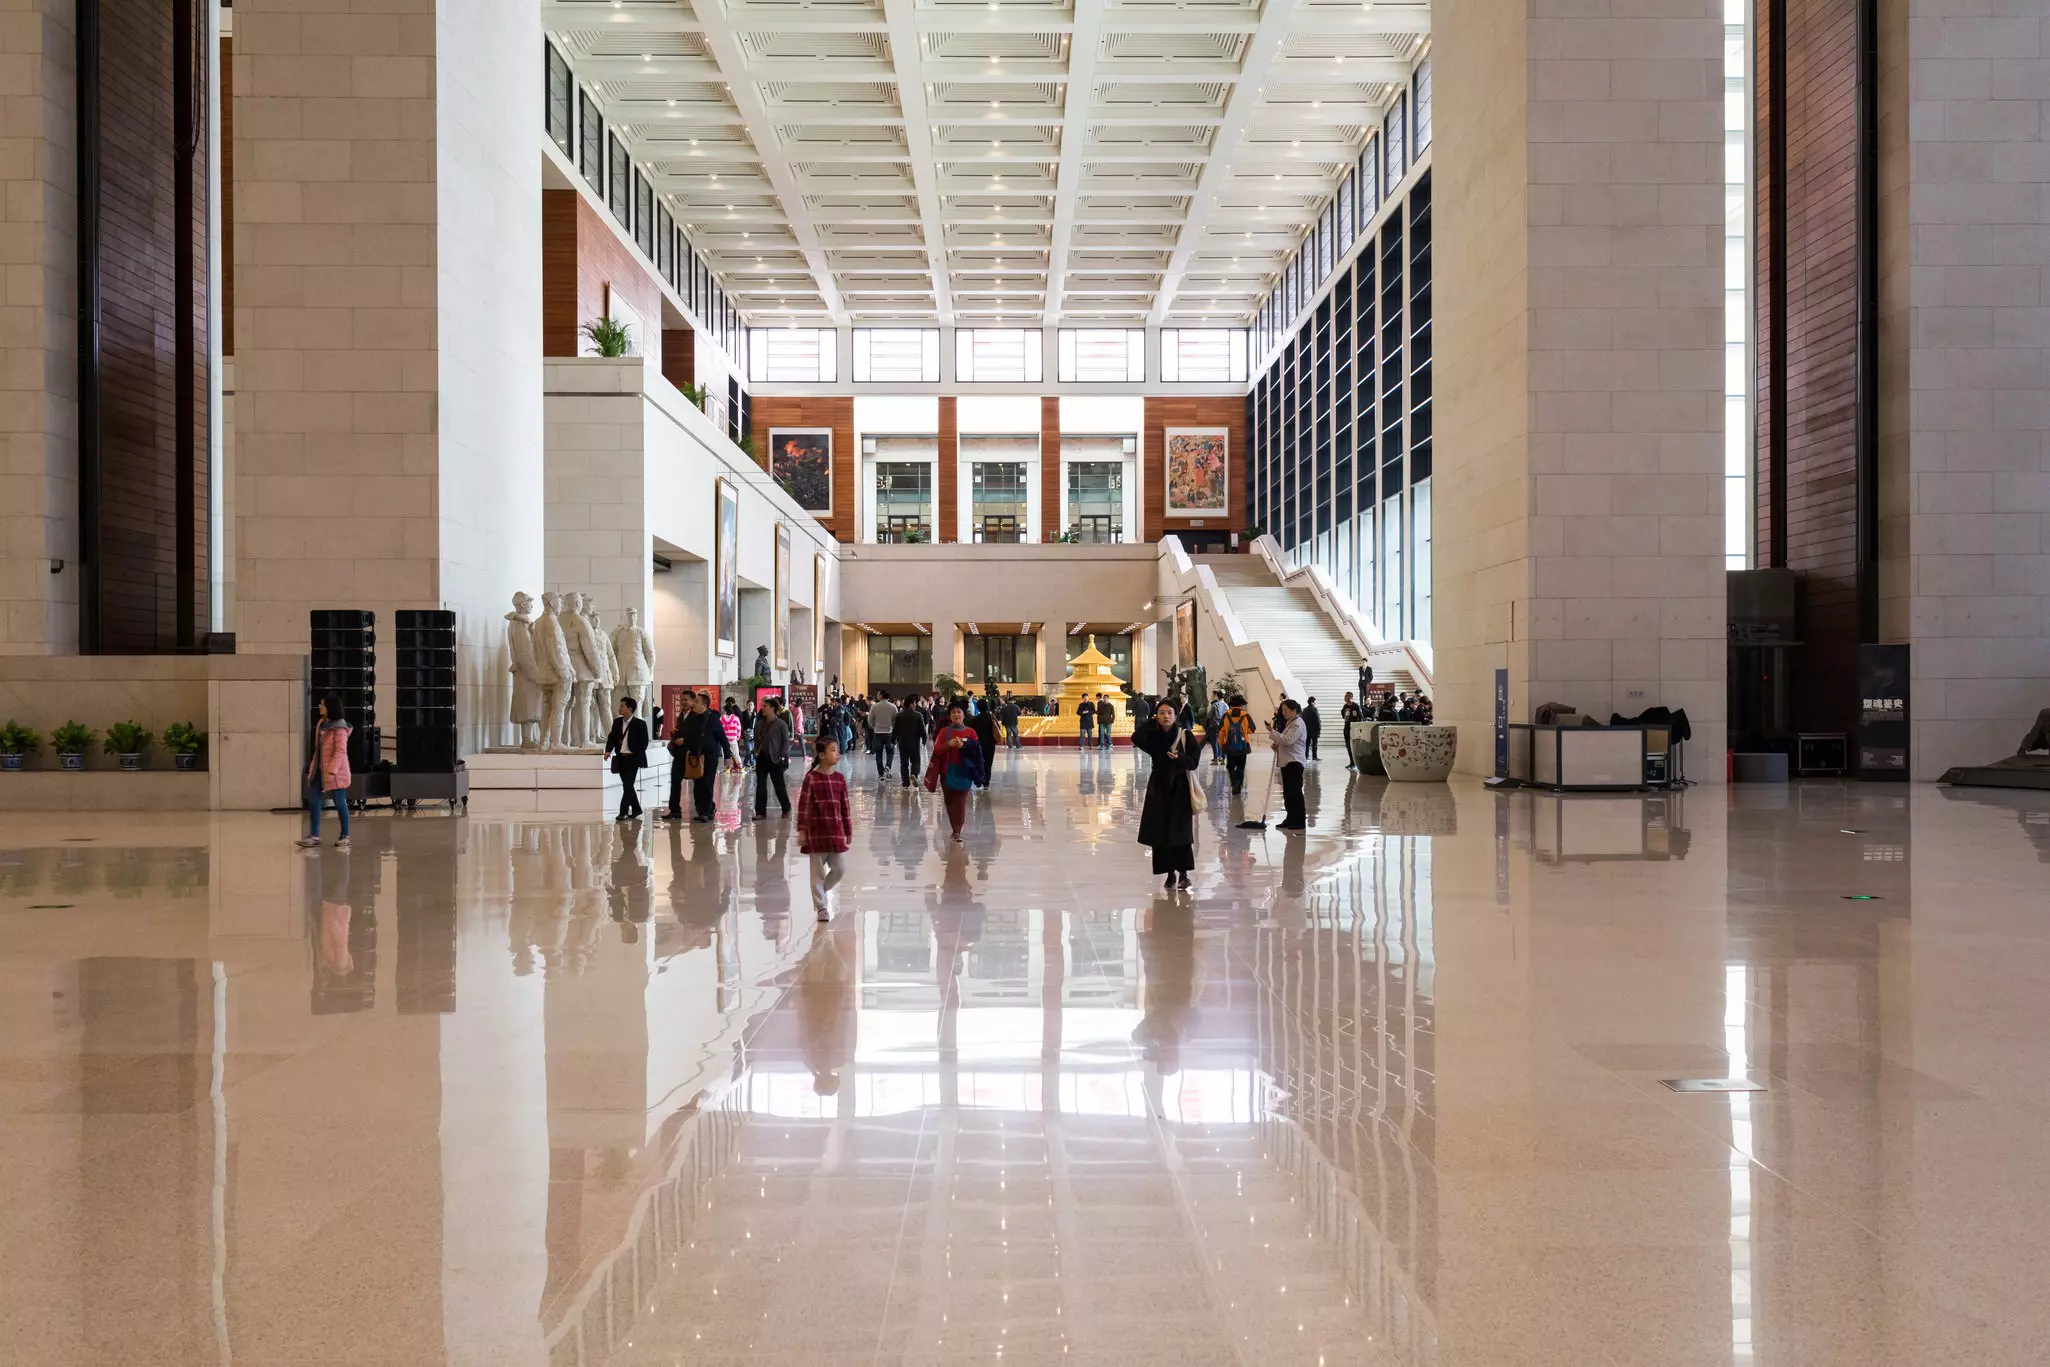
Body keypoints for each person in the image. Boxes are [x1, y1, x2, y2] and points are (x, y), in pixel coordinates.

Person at [1133, 700, 1201, 889]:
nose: (1165, 716)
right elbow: (1136, 737)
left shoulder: (1185, 735)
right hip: (1159, 787)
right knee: (1161, 831)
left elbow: (1194, 762)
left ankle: (1184, 874)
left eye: (1169, 713)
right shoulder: (1154, 737)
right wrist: (1151, 721)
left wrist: (1180, 758)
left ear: (1176, 715)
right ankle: (1170, 873)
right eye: (1161, 713)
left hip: (1179, 788)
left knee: (1180, 831)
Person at [795, 735, 852, 920]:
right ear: (821, 755)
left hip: (835, 832)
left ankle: (822, 890)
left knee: (840, 869)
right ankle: (821, 907)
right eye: (833, 750)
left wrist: (848, 829)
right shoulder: (811, 778)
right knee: (817, 873)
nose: (838, 753)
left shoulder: (840, 779)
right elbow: (803, 806)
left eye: (837, 749)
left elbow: (845, 806)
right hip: (816, 833)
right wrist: (802, 829)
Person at [297, 693, 353, 849]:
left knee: (340, 803)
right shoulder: (322, 724)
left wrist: (332, 771)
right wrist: (313, 768)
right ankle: (314, 836)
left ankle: (345, 835)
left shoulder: (340, 728)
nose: (319, 707)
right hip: (319, 772)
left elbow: (340, 752)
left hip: (336, 773)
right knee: (314, 801)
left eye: (322, 705)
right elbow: (319, 750)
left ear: (330, 708)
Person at [924, 703, 983, 843]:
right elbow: (937, 751)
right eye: (953, 712)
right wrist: (948, 745)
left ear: (964, 715)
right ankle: (954, 827)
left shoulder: (971, 732)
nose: (956, 714)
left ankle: (957, 830)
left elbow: (977, 752)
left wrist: (965, 746)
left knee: (961, 801)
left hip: (965, 772)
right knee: (950, 801)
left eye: (959, 712)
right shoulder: (944, 732)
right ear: (950, 716)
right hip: (947, 771)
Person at [665, 691, 722, 822]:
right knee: (675, 781)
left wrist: (685, 740)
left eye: (686, 700)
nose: (683, 702)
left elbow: (699, 736)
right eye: (681, 700)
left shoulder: (699, 717)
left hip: (692, 754)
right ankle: (674, 810)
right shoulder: (682, 715)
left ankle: (708, 809)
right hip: (680, 754)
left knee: (701, 784)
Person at [603, 696, 649, 821]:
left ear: (630, 709)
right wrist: (608, 750)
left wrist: (636, 754)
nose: (620, 708)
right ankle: (636, 809)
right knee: (627, 785)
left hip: (633, 759)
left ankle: (623, 812)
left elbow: (644, 743)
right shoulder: (617, 722)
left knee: (628, 785)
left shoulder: (640, 724)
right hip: (621, 758)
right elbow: (611, 737)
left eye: (622, 706)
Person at [1270, 699, 1308, 832]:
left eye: (1285, 710)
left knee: (1295, 792)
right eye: (1282, 710)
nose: (1283, 712)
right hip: (1287, 761)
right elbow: (1285, 742)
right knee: (1288, 793)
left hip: (1294, 762)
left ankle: (1299, 821)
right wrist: (1277, 746)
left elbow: (1288, 740)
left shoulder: (1297, 723)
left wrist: (1272, 732)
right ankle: (1290, 818)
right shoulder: (1290, 722)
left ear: (1293, 710)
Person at [753, 697, 794, 819]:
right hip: (761, 757)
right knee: (761, 785)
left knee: (779, 785)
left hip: (775, 758)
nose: (762, 708)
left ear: (772, 708)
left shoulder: (781, 724)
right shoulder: (760, 723)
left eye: (765, 706)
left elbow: (785, 742)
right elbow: (756, 740)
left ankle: (786, 808)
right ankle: (760, 812)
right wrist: (756, 751)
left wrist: (782, 756)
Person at [1217, 694, 1256, 798]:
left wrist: (1221, 745)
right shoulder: (1245, 715)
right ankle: (1238, 786)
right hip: (1243, 746)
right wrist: (1244, 731)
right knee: (1241, 767)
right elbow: (1252, 729)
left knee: (1230, 767)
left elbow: (1220, 732)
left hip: (1229, 746)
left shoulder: (1226, 715)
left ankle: (1234, 782)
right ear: (1241, 705)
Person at [893, 694, 926, 788]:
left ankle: (905, 783)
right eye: (914, 703)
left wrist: (893, 739)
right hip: (914, 743)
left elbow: (895, 729)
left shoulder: (898, 715)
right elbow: (922, 729)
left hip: (902, 742)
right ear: (911, 704)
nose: (915, 705)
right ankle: (914, 774)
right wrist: (924, 738)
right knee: (916, 761)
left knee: (904, 763)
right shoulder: (918, 715)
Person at [868, 691, 898, 778]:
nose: (877, 695)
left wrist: (874, 726)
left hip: (878, 733)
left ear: (881, 696)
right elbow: (896, 720)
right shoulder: (893, 706)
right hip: (889, 733)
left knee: (879, 753)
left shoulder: (875, 706)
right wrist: (891, 726)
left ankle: (881, 774)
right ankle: (888, 766)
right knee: (890, 751)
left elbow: (870, 719)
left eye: (878, 694)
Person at [970, 698, 999, 789]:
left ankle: (979, 781)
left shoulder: (975, 719)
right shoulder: (992, 717)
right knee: (988, 763)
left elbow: (972, 732)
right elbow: (997, 729)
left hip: (979, 744)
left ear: (978, 708)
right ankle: (986, 782)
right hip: (990, 744)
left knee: (979, 762)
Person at [1340, 692, 1365, 771]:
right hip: (1347, 728)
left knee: (1354, 746)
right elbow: (1343, 715)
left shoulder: (1356, 706)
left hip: (1354, 728)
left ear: (1350, 697)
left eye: (1346, 696)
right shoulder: (1345, 706)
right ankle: (1352, 762)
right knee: (1348, 745)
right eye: (1344, 696)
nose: (1344, 698)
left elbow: (1361, 717)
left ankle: (1357, 763)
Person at [720, 698, 744, 773]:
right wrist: (737, 737)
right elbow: (739, 729)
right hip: (733, 739)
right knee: (736, 754)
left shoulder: (721, 718)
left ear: (725, 710)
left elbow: (720, 730)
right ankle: (741, 768)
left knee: (725, 754)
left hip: (724, 739)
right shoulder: (736, 718)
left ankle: (727, 769)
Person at [1303, 696, 1323, 761]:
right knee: (1314, 744)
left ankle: (1306, 756)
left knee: (1307, 744)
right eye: (1314, 702)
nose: (1315, 703)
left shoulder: (1305, 710)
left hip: (1307, 729)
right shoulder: (1314, 709)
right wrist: (1319, 728)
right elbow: (1317, 719)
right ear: (1312, 702)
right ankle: (1314, 757)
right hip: (1314, 730)